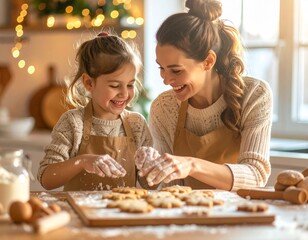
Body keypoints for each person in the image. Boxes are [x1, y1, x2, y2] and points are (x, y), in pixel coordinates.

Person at [137, 0, 272, 191]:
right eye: (161, 68)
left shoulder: (254, 95)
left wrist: (191, 165)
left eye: (175, 71)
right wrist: (148, 170)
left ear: (208, 61)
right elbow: (169, 186)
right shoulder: (164, 107)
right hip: (187, 213)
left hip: (239, 213)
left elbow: (256, 174)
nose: (166, 80)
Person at [37, 31, 153, 191]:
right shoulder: (72, 122)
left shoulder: (136, 124)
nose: (125, 93)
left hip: (122, 213)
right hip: (80, 213)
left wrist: (149, 164)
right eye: (114, 85)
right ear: (89, 83)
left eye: (130, 84)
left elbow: (149, 184)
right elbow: (47, 178)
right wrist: (83, 161)